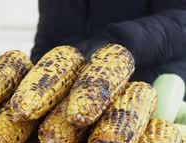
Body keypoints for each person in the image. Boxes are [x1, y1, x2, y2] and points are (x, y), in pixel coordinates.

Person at [31, 0, 186, 84]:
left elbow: (180, 20)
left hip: (150, 86)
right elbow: (49, 36)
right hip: (76, 98)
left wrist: (115, 42)